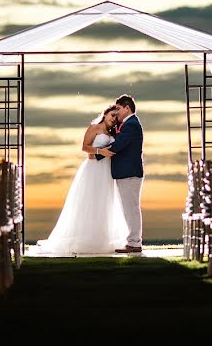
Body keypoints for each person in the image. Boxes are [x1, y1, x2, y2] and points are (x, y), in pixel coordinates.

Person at [30, 104, 128, 254]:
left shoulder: (111, 132)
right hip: (93, 170)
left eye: (116, 117)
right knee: (89, 201)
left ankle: (102, 237)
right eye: (112, 115)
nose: (114, 119)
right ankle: (85, 238)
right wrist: (100, 151)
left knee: (104, 202)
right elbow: (85, 147)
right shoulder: (94, 128)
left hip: (107, 172)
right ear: (105, 114)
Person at [96, 94, 144, 253]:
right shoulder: (127, 124)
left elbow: (118, 145)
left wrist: (97, 155)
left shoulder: (131, 125)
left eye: (118, 108)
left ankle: (135, 242)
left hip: (129, 173)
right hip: (126, 173)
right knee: (128, 208)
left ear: (127, 108)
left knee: (131, 208)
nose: (116, 112)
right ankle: (133, 241)